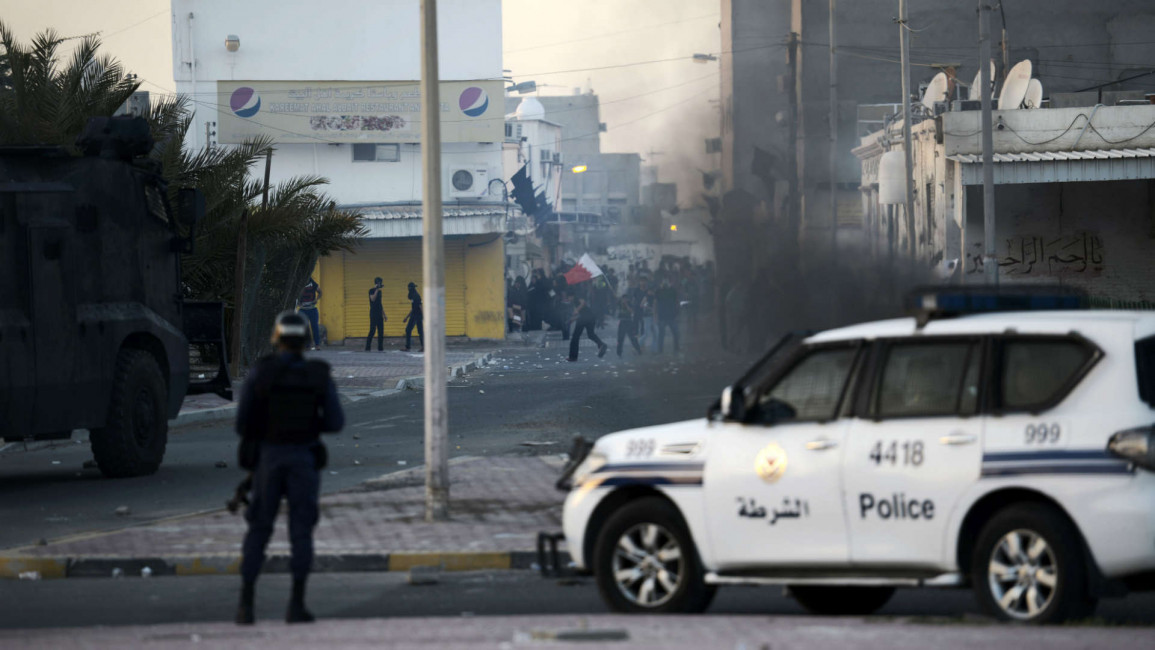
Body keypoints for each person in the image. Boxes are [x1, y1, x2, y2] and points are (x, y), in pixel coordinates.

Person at [234, 311, 344, 625]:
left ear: (277, 339)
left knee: (259, 529)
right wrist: (309, 425)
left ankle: (246, 604)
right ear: (306, 341)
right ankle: (296, 605)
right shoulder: (319, 375)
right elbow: (335, 422)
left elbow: (243, 423)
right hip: (304, 459)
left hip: (268, 459)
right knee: (301, 531)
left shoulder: (262, 373)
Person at [568, 295, 608, 362]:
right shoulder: (574, 302)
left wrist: (577, 310)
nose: (568, 299)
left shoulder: (576, 298)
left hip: (584, 319)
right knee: (591, 334)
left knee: (575, 337)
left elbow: (583, 303)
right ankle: (601, 344)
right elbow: (581, 313)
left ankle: (573, 357)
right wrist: (573, 319)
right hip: (590, 318)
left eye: (568, 297)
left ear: (571, 296)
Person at [655, 275, 680, 354]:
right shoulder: (659, 290)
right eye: (664, 280)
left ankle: (676, 348)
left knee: (675, 333)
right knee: (661, 334)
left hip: (671, 315)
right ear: (662, 282)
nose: (665, 282)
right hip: (662, 315)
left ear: (669, 282)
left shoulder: (673, 290)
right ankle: (660, 350)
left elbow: (677, 302)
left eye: (666, 280)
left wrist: (677, 313)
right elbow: (655, 303)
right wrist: (655, 315)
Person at [296, 278, 322, 351]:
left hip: (312, 309)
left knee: (315, 327)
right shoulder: (299, 283)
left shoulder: (312, 282)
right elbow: (295, 295)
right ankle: (307, 345)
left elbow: (320, 292)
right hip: (303, 309)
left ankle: (317, 344)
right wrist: (298, 303)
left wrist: (316, 299)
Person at [365, 277, 386, 352]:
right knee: (372, 331)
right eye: (379, 283)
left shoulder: (380, 292)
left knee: (381, 332)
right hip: (373, 313)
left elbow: (380, 304)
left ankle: (380, 348)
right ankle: (367, 347)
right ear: (376, 283)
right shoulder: (371, 290)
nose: (380, 284)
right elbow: (373, 299)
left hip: (379, 313)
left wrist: (384, 314)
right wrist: (376, 289)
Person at [403, 281, 424, 352]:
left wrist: (423, 315)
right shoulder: (413, 295)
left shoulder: (416, 296)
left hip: (417, 315)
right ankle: (409, 347)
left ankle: (409, 347)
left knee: (417, 331)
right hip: (414, 314)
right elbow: (413, 308)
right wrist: (406, 317)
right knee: (412, 330)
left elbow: (420, 306)